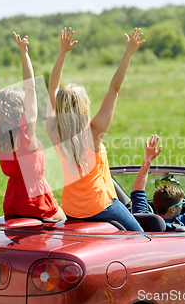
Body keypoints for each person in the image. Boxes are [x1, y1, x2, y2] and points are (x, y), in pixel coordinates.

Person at [46, 27, 145, 231]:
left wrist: (62, 53)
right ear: (83, 106)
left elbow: (52, 89)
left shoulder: (55, 133)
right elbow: (114, 89)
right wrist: (128, 54)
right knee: (142, 236)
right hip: (101, 206)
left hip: (71, 210)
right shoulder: (93, 133)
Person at [0, 34, 65, 220]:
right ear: (21, 109)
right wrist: (24, 53)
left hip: (12, 201)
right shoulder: (27, 133)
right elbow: (30, 88)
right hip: (36, 199)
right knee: (67, 226)